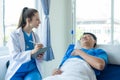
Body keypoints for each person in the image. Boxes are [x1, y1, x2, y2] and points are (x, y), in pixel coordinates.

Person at [43, 32, 108, 80]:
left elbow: (100, 65)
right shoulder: (70, 51)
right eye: (82, 37)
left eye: (88, 36)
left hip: (79, 75)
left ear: (94, 41)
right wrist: (55, 70)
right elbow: (61, 65)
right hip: (62, 74)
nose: (84, 37)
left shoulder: (98, 51)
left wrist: (79, 52)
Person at [5, 7, 44, 80]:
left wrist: (39, 55)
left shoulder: (36, 36)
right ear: (28, 20)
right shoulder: (14, 35)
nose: (40, 22)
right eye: (37, 19)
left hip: (32, 70)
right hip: (17, 71)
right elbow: (15, 56)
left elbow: (39, 59)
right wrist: (32, 52)